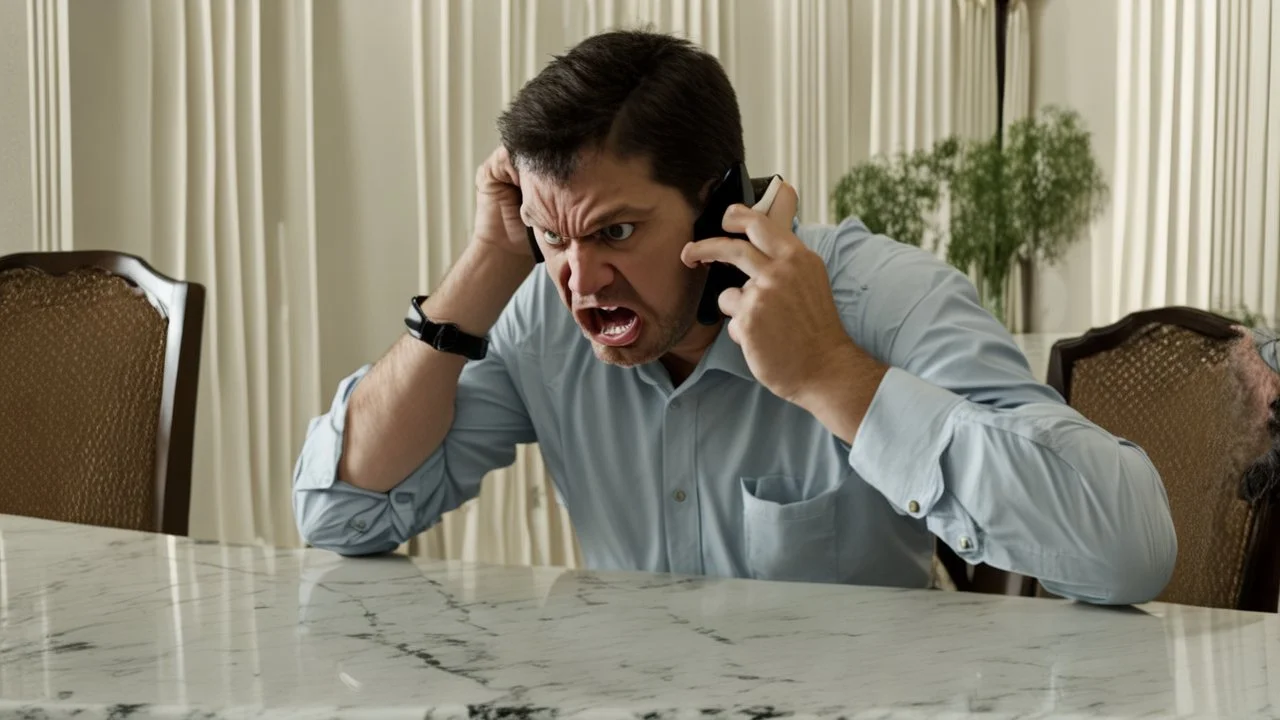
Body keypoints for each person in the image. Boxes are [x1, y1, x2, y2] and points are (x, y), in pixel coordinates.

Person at [292, 29, 1176, 605]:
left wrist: (834, 374)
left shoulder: (884, 299)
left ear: (721, 204)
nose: (579, 279)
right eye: (550, 236)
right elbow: (338, 518)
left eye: (617, 231)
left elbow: (1129, 551)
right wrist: (491, 261)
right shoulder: (539, 317)